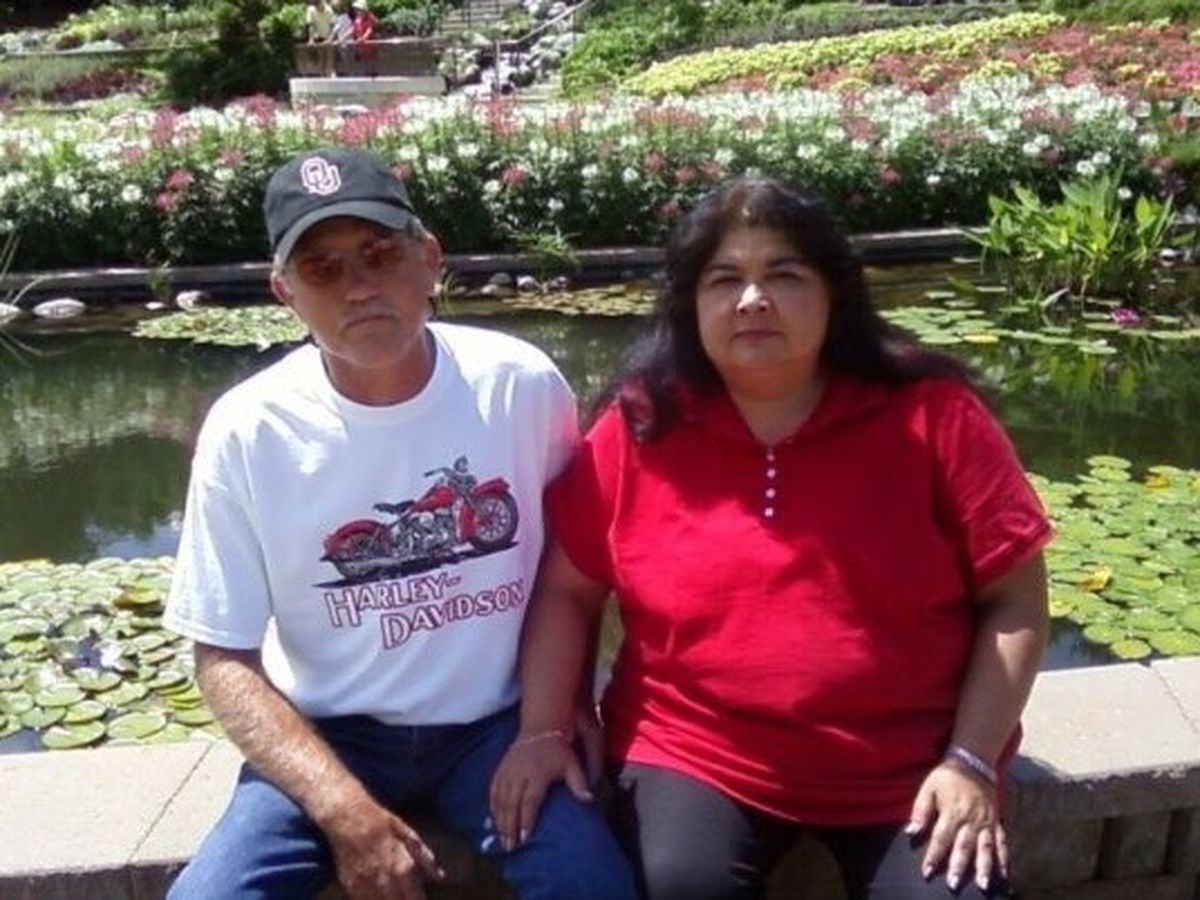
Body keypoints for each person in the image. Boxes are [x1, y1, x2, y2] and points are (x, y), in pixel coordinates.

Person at [490, 176, 1052, 900]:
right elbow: (568, 591)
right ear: (691, 305)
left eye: (784, 275)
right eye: (725, 279)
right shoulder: (642, 426)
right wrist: (543, 728)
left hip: (908, 763)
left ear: (834, 295)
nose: (752, 299)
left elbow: (1016, 600)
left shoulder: (932, 415)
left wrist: (970, 759)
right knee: (679, 886)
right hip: (697, 750)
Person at [163, 146, 636, 900]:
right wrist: (341, 808)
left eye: (379, 254)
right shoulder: (247, 429)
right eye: (323, 268)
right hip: (330, 735)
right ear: (285, 292)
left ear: (429, 258)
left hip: (494, 727)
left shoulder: (520, 386)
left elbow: (572, 575)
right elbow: (222, 654)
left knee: (594, 884)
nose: (358, 286)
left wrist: (558, 714)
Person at [305, 0, 337, 76]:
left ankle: (330, 73)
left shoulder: (329, 10)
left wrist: (329, 38)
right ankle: (321, 74)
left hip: (328, 35)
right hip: (318, 36)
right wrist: (311, 39)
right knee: (320, 57)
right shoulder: (311, 10)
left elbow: (332, 26)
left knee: (329, 54)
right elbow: (311, 25)